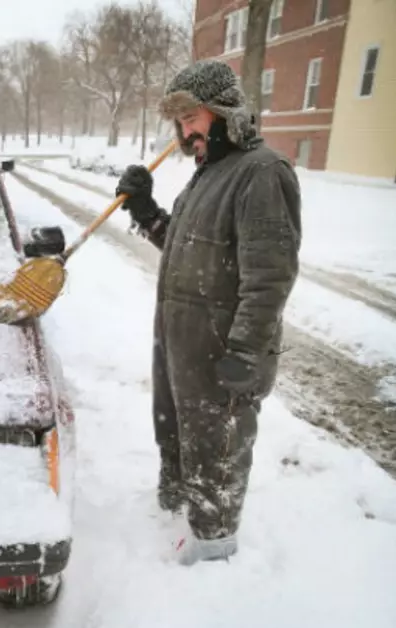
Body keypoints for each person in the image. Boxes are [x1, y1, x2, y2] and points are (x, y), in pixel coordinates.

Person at [115, 60, 302, 565]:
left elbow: (270, 277)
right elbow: (189, 250)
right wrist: (147, 213)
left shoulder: (262, 173)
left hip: (222, 348)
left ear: (222, 112)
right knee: (177, 430)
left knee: (217, 449)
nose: (184, 131)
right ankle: (176, 509)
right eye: (178, 121)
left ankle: (215, 555)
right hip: (183, 343)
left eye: (192, 117)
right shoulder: (209, 174)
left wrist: (245, 351)